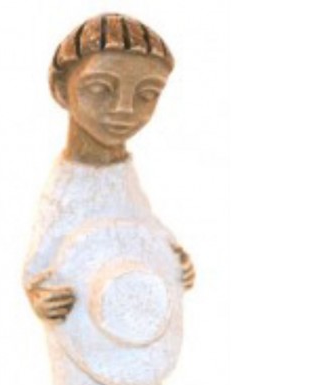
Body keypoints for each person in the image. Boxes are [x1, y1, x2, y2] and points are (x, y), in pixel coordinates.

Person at [24, 12, 195, 324]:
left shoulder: (122, 171)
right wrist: (38, 294)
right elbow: (41, 253)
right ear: (61, 89)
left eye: (147, 94)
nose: (125, 109)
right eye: (100, 88)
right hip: (82, 322)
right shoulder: (65, 185)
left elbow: (139, 216)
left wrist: (172, 252)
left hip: (133, 317)